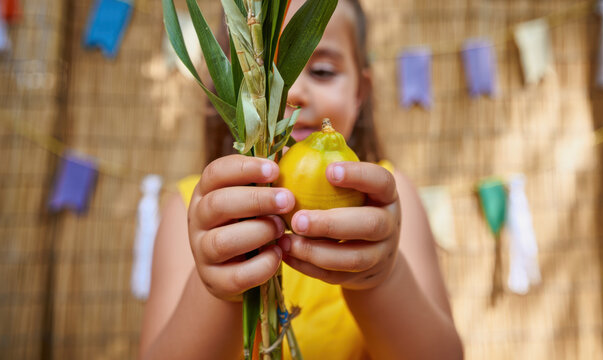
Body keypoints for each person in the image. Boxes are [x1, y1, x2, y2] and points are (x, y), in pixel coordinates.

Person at [139, 0, 463, 359]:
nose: (291, 92)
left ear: (360, 92)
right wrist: (218, 285)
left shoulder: (387, 203)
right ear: (227, 88)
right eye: (263, 72)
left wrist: (381, 277)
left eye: (322, 71)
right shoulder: (194, 208)